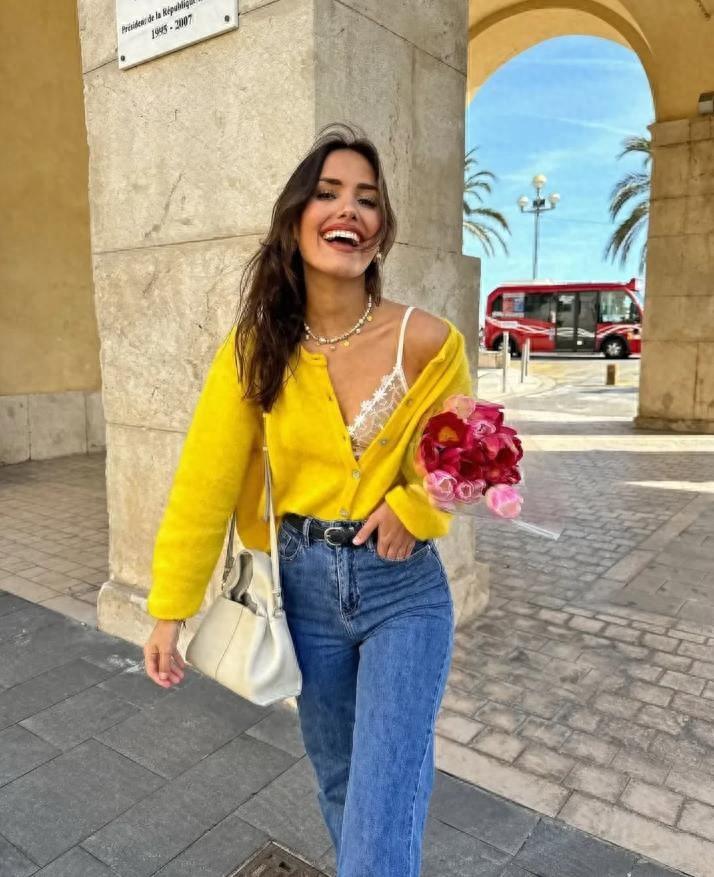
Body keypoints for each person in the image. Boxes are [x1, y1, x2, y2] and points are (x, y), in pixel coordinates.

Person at [143, 124, 472, 877]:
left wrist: (417, 508)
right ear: (297, 218)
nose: (348, 209)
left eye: (367, 198)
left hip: (403, 591)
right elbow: (204, 480)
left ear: (381, 229)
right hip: (302, 592)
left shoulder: (428, 340)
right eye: (328, 193)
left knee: (384, 799)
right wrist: (170, 607)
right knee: (340, 781)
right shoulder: (255, 348)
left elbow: (463, 454)